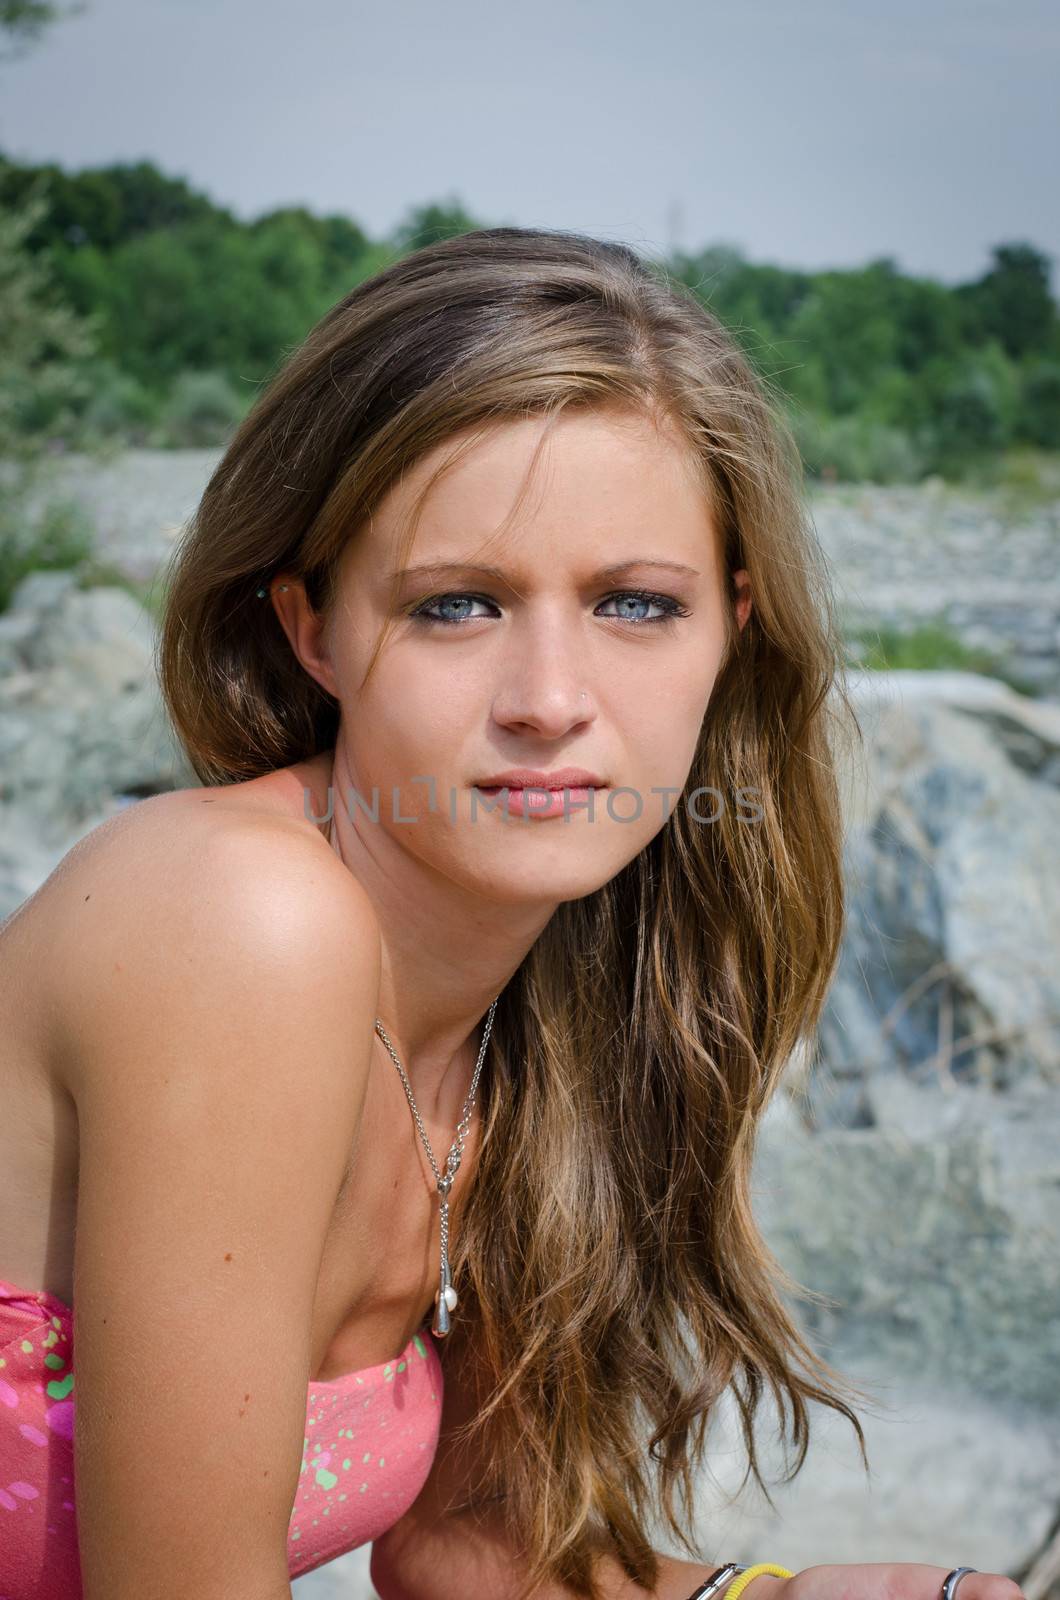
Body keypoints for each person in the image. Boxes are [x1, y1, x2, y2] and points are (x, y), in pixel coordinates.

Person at [0, 228, 1018, 1600]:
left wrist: (787, 1595)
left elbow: (471, 1552)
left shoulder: (543, 1009)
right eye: (458, 605)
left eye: (635, 606)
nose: (549, 698)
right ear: (317, 630)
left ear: (733, 625)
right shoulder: (240, 920)